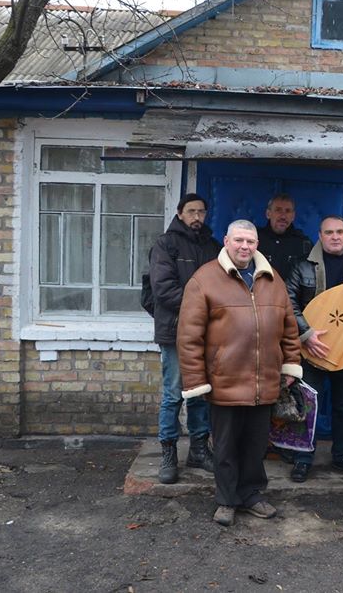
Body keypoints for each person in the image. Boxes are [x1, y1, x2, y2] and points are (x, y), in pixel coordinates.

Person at [177, 220, 303, 526]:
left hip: (264, 381)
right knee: (225, 446)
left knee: (256, 445)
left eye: (250, 241)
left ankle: (252, 495)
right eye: (239, 240)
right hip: (225, 381)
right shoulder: (204, 280)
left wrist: (290, 363)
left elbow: (289, 326)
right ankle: (226, 500)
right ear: (226, 241)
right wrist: (196, 381)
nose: (244, 246)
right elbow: (189, 337)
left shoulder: (272, 278)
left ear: (257, 244)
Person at [284, 215, 343, 483]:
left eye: (339, 231)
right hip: (312, 346)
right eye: (329, 232)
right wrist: (306, 334)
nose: (335, 237)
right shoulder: (303, 264)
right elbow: (288, 302)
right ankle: (303, 458)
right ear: (320, 235)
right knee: (307, 403)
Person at [147, 193, 221, 485]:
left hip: (206, 333)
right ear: (180, 214)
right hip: (175, 331)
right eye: (191, 211)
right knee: (173, 394)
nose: (197, 217)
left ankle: (199, 450)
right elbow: (163, 289)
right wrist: (202, 306)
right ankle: (168, 453)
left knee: (201, 392)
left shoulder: (213, 247)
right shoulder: (166, 245)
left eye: (201, 212)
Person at [256, 193, 314, 281]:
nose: (283, 216)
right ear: (268, 214)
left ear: (293, 216)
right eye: (278, 210)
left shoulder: (304, 243)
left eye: (287, 211)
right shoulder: (255, 240)